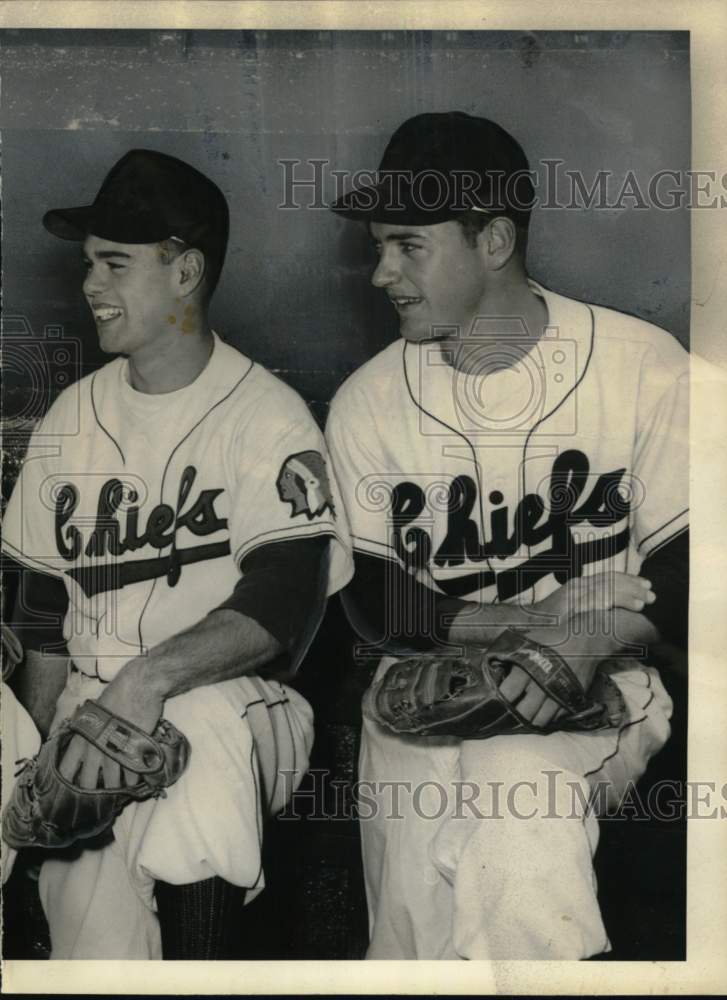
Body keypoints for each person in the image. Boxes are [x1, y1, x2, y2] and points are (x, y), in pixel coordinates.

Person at [326, 111, 688, 959]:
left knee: (515, 793)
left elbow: (689, 575)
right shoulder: (367, 401)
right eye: (379, 246)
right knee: (414, 922)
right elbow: (375, 602)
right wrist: (540, 618)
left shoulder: (644, 366)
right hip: (422, 690)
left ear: (492, 240)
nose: (381, 273)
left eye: (408, 246)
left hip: (597, 688)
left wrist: (584, 638)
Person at [1, 148, 352, 959]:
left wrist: (144, 683)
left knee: (200, 729)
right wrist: (42, 743)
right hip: (94, 705)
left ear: (185, 272)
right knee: (97, 952)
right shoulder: (71, 416)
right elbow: (44, 611)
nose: (91, 284)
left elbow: (282, 609)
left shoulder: (267, 415)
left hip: (236, 699)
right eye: (89, 263)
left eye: (115, 263)